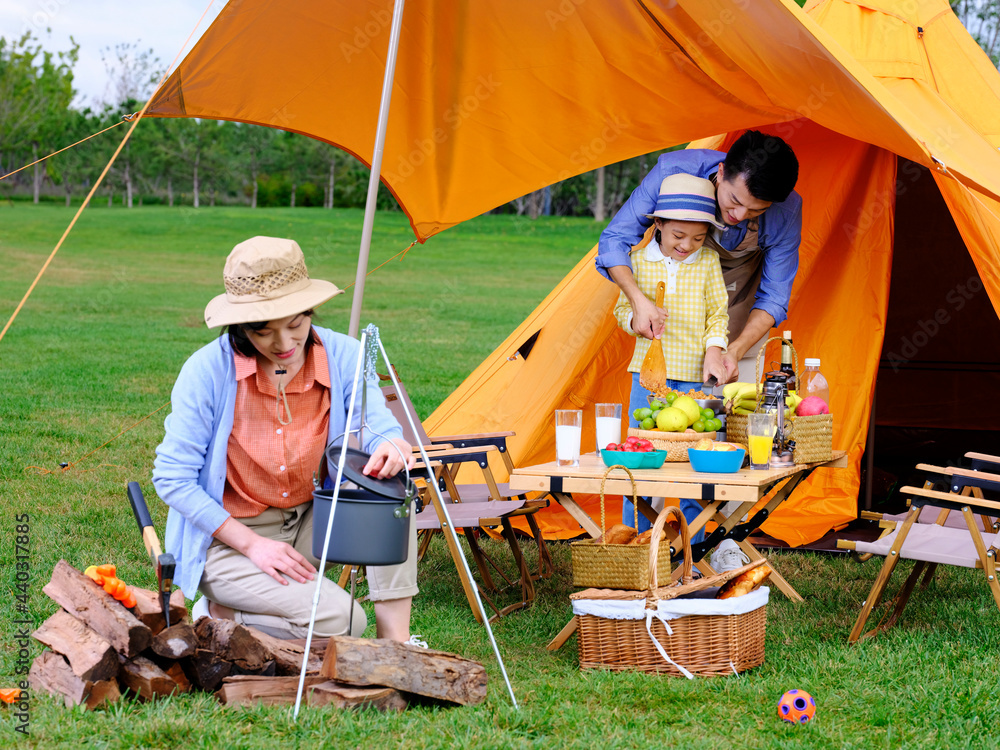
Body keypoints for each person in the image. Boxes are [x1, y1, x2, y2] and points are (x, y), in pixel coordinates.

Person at [152, 236, 419, 643]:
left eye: (295, 324)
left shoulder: (345, 354)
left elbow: (377, 423)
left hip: (313, 522)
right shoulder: (206, 371)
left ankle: (396, 647)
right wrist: (254, 545)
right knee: (346, 622)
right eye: (263, 332)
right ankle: (223, 614)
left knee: (390, 498)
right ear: (241, 327)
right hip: (230, 541)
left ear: (309, 310)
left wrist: (394, 445)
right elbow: (172, 479)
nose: (284, 344)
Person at [598, 130, 801, 384]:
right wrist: (638, 301)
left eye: (756, 210)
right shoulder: (673, 172)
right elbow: (614, 240)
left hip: (738, 307)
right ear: (722, 171)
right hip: (671, 321)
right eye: (734, 200)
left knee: (734, 413)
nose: (739, 214)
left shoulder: (787, 210)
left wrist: (734, 351)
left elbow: (774, 297)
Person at [612, 173, 727, 539]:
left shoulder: (708, 262)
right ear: (658, 224)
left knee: (698, 469)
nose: (687, 245)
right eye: (678, 236)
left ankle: (692, 548)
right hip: (648, 378)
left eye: (697, 237)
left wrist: (714, 350)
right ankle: (637, 544)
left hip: (697, 378)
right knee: (641, 463)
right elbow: (620, 312)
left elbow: (718, 314)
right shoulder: (636, 262)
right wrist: (637, 319)